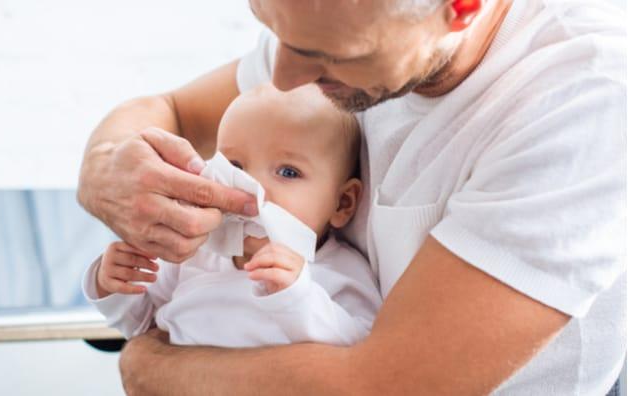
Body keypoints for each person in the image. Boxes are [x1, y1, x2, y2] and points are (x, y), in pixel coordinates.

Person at [77, 0, 626, 394]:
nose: (285, 77)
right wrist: (104, 167)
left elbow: (383, 387)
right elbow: (169, 108)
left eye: (328, 56)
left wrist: (147, 369)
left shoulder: (585, 98)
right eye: (268, 22)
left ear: (461, 7)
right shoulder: (327, 19)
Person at [83, 84, 382, 348]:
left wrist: (297, 298)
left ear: (342, 203)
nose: (252, 188)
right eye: (235, 167)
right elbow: (141, 327)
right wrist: (113, 286)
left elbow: (363, 348)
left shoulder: (340, 271)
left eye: (288, 172)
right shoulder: (193, 253)